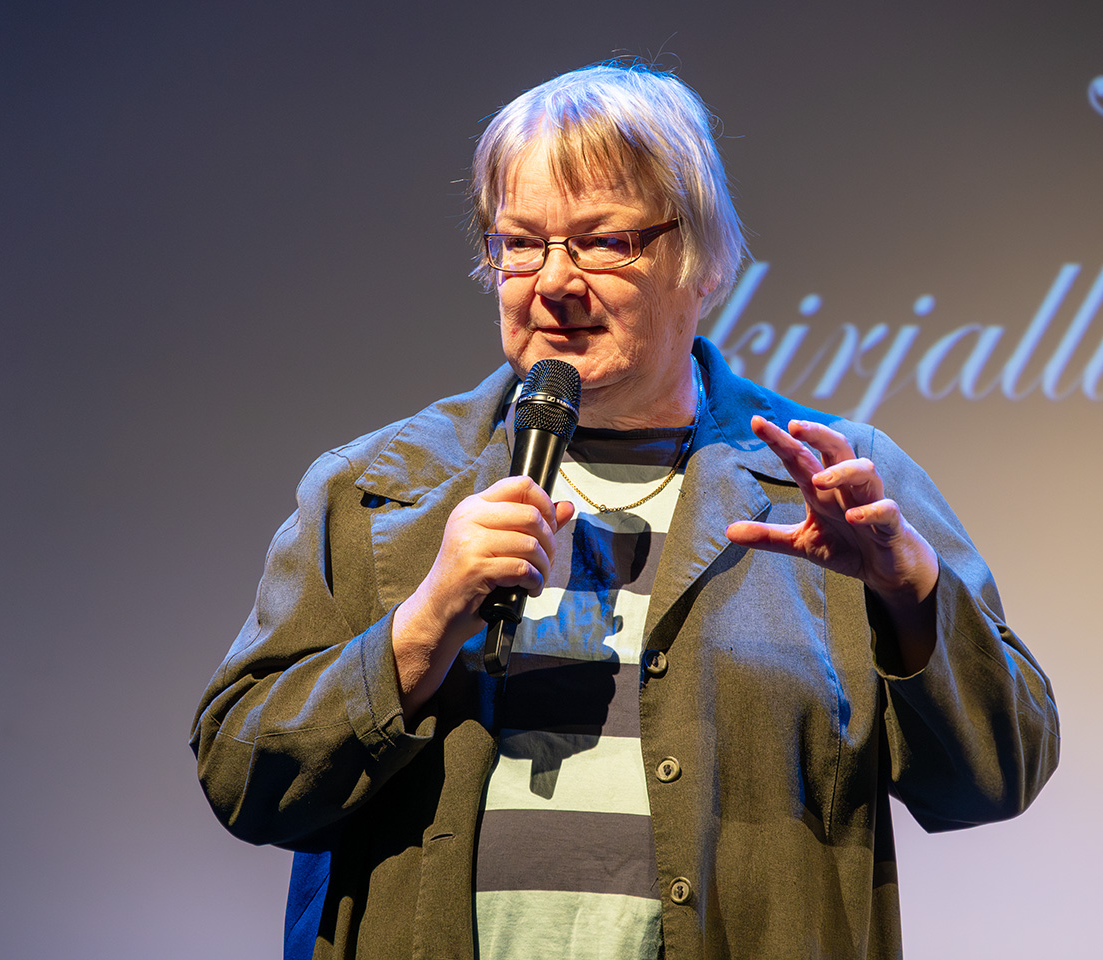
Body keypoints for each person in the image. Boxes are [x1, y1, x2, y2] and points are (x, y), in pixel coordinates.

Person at [191, 62, 1058, 960]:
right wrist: (422, 626)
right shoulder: (379, 487)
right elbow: (241, 780)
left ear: (701, 262)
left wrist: (911, 595)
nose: (554, 283)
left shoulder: (835, 482)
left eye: (603, 242)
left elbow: (996, 777)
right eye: (521, 243)